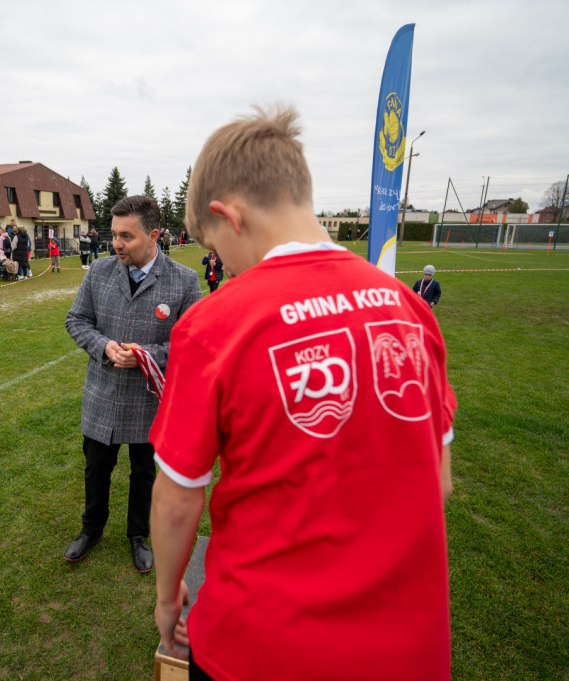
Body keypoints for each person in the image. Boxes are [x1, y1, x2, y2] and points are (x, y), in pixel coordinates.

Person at [149, 106, 457, 681]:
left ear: (227, 215)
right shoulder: (411, 311)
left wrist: (168, 600)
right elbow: (437, 482)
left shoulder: (216, 325)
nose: (223, 266)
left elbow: (176, 500)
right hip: (406, 649)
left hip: (258, 645)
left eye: (216, 248)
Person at [63, 195, 202, 572]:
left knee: (144, 472)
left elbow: (192, 342)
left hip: (150, 400)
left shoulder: (184, 281)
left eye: (126, 236)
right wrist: (104, 346)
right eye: (114, 235)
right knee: (96, 468)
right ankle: (91, 529)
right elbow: (76, 320)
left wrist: (147, 355)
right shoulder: (99, 271)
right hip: (102, 395)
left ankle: (138, 535)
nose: (116, 244)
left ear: (154, 235)